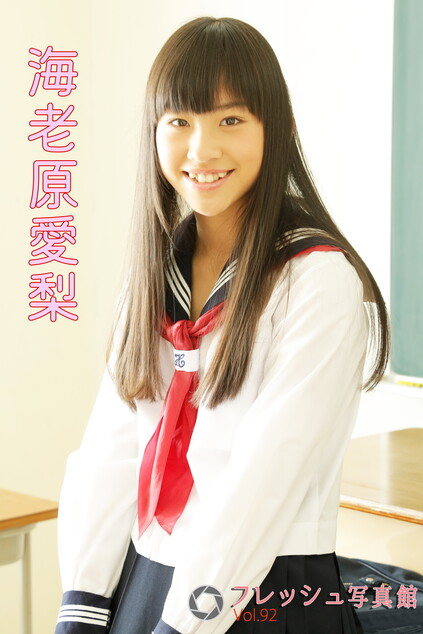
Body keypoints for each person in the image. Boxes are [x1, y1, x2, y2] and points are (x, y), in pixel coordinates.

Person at [54, 16, 389, 634]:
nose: (201, 149)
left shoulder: (316, 280)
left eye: (230, 121)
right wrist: (82, 603)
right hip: (145, 579)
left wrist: (186, 623)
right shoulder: (153, 273)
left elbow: (264, 483)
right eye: (179, 121)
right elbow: (111, 449)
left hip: (265, 589)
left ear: (279, 129)